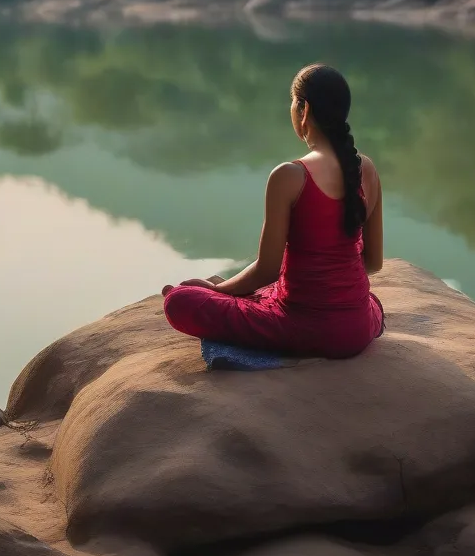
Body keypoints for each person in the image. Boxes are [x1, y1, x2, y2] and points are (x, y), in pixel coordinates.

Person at [162, 62, 385, 359]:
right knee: (356, 300)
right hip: (359, 326)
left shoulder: (289, 176)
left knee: (179, 301)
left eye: (293, 104)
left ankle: (226, 292)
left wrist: (220, 291)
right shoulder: (367, 169)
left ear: (303, 110)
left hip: (305, 326)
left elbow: (266, 270)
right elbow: (373, 263)